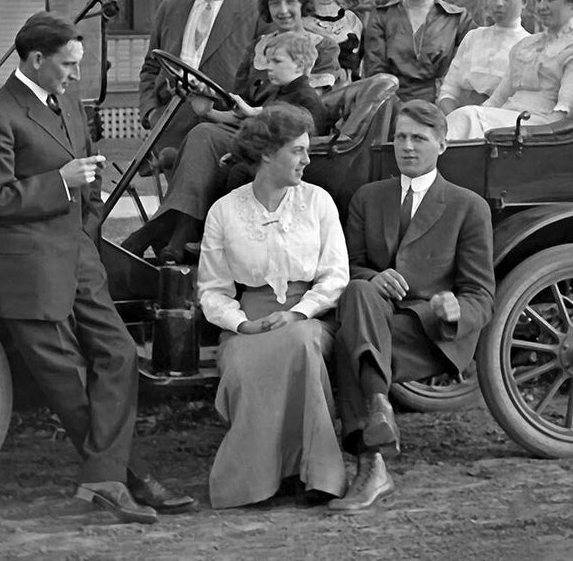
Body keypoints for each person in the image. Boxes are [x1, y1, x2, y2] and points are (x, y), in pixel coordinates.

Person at [0, 12, 193, 524]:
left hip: (77, 254)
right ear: (36, 60)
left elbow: (87, 172)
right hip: (26, 266)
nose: (75, 76)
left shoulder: (65, 101)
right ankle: (125, 480)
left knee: (118, 355)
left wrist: (87, 224)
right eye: (68, 65)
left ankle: (110, 479)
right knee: (69, 379)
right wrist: (62, 181)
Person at [327, 100, 495, 513]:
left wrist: (455, 310)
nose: (407, 147)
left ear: (442, 144)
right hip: (375, 318)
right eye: (400, 137)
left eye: (418, 138)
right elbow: (347, 267)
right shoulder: (368, 198)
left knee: (352, 342)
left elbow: (481, 295)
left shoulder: (467, 206)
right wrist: (372, 277)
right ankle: (376, 430)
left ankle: (372, 435)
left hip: (426, 334)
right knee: (359, 293)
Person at [196, 105, 350, 507]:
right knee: (245, 362)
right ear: (267, 154)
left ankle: (316, 473)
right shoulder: (225, 211)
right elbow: (212, 289)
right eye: (298, 151)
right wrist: (241, 324)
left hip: (309, 314)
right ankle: (254, 479)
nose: (307, 160)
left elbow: (336, 276)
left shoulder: (318, 202)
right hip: (249, 320)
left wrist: (299, 312)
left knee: (300, 343)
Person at [121, 30, 327, 263]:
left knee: (204, 135)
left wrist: (249, 126)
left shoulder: (305, 97)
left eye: (276, 62)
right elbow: (242, 119)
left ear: (300, 65)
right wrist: (209, 111)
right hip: (257, 150)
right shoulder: (280, 93)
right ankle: (177, 234)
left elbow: (298, 122)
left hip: (274, 160)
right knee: (202, 134)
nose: (268, 67)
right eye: (268, 61)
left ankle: (167, 234)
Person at [444, 0, 573, 142]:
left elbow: (564, 113)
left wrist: (537, 141)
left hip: (537, 129)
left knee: (467, 117)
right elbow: (497, 99)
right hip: (508, 121)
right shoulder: (526, 45)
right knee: (466, 117)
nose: (542, 6)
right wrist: (482, 114)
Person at [138, 0, 260, 147]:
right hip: (169, 130)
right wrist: (149, 113)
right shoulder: (170, 8)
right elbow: (150, 68)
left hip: (224, 133)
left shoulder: (255, 11)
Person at [362, 0, 473, 103]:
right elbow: (375, 72)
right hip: (391, 105)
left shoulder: (456, 18)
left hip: (441, 104)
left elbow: (472, 65)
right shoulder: (382, 16)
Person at [436, 0, 530, 117]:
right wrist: (455, 118)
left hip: (500, 125)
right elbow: (449, 90)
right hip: (458, 119)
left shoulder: (529, 46)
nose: (499, 3)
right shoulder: (473, 37)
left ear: (524, 1)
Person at [247, 0, 342, 93]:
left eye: (290, 2)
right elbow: (240, 95)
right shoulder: (258, 46)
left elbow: (315, 101)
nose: (283, 10)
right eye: (275, 3)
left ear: (303, 3)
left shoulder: (324, 47)